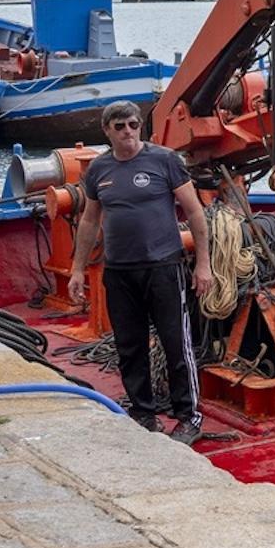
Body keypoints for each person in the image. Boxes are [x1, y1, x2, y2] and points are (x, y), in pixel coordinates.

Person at [67, 101, 213, 445]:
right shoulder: (99, 169)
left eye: (133, 124)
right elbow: (89, 220)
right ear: (107, 131)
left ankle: (189, 417)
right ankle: (143, 413)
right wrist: (77, 269)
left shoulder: (165, 161)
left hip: (163, 268)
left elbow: (194, 212)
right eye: (119, 126)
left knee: (176, 344)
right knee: (130, 346)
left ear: (140, 126)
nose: (128, 132)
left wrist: (203, 264)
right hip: (120, 272)